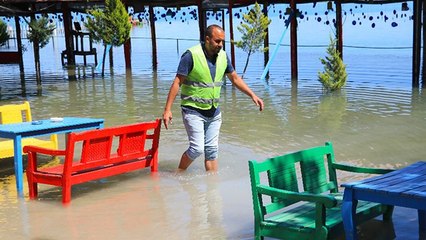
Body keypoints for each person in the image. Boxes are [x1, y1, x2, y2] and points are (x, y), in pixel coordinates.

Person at [162, 24, 264, 172]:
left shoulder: (223, 56)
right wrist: (167, 110)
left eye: (222, 41)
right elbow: (177, 82)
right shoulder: (191, 55)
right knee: (197, 149)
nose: (220, 45)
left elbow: (234, 78)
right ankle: (178, 173)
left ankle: (212, 188)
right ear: (207, 39)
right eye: (217, 41)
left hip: (214, 112)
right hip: (192, 110)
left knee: (211, 151)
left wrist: (253, 95)